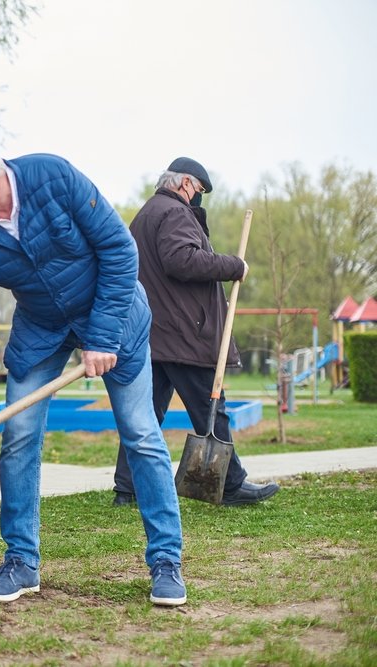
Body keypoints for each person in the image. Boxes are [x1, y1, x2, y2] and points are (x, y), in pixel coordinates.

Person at [0, 125, 186, 606]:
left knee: (140, 434)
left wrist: (103, 337)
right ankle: (21, 561)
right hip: (40, 330)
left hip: (116, 317)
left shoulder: (52, 177)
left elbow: (119, 250)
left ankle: (166, 561)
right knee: (19, 436)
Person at [112, 158, 281, 507]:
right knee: (210, 407)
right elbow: (182, 260)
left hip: (153, 333)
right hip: (184, 333)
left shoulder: (146, 213)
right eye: (199, 191)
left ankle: (127, 490)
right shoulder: (174, 213)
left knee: (143, 414)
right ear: (185, 183)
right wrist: (235, 266)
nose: (198, 198)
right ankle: (231, 485)